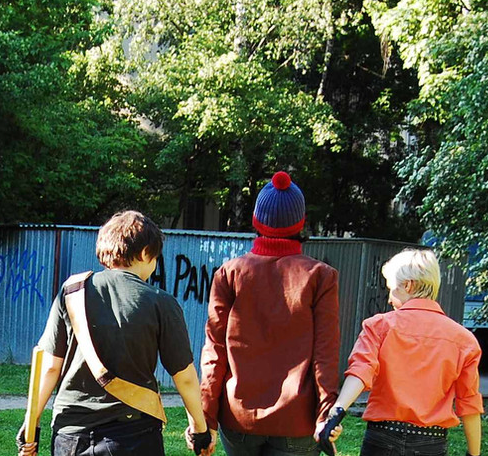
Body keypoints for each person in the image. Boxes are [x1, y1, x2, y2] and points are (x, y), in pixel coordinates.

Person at [17, 210, 210, 456]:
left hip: (71, 434)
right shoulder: (161, 302)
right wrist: (199, 429)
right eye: (155, 257)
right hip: (134, 435)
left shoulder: (72, 292)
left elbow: (50, 367)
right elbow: (185, 377)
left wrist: (31, 421)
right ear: (145, 253)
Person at [200, 171, 341, 456]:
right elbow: (325, 354)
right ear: (300, 222)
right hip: (297, 421)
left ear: (256, 220)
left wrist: (206, 417)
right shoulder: (320, 276)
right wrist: (325, 414)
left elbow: (215, 351)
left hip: (238, 419)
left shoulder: (229, 273)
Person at [319, 248, 483, 456]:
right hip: (430, 443)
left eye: (391, 289)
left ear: (408, 285)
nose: (389, 299)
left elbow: (361, 370)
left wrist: (337, 411)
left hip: (382, 438)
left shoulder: (379, 326)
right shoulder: (464, 340)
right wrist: (474, 454)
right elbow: (469, 403)